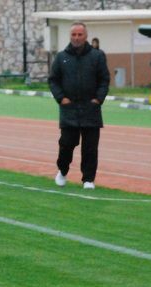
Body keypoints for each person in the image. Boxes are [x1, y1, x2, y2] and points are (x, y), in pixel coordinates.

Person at [49, 22, 110, 190]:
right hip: (69, 110)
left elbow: (104, 80)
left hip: (91, 109)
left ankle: (88, 179)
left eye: (80, 35)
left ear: (86, 36)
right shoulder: (61, 57)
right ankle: (62, 170)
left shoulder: (97, 56)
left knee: (90, 147)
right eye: (74, 35)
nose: (76, 38)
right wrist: (61, 98)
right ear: (70, 36)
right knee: (67, 144)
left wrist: (98, 99)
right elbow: (53, 80)